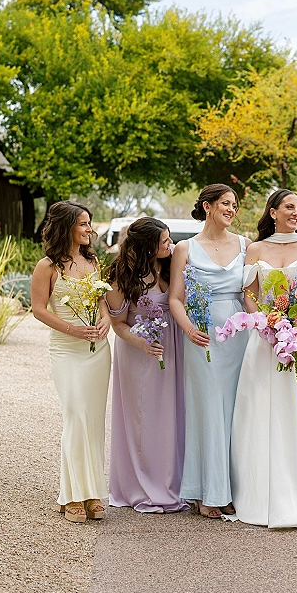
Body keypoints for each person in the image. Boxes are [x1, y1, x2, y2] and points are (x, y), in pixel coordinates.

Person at [230, 189, 297, 529]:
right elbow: (249, 293)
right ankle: (261, 498)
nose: (296, 212)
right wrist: (265, 325)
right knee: (261, 412)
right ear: (272, 211)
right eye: (289, 206)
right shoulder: (255, 249)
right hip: (264, 340)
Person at [169, 184, 249, 518]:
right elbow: (175, 297)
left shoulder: (246, 244)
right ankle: (207, 492)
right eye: (225, 204)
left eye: (234, 205)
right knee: (209, 411)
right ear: (207, 206)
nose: (231, 210)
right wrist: (188, 328)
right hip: (201, 336)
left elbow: (252, 290)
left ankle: (233, 488)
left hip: (239, 336)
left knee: (237, 412)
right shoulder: (185, 248)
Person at [31, 202, 111, 523]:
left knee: (92, 421)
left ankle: (91, 492)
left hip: (98, 351)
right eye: (83, 224)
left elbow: (101, 301)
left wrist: (105, 321)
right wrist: (72, 329)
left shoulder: (93, 261)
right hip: (66, 348)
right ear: (66, 227)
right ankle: (73, 494)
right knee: (75, 416)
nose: (89, 229)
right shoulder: (47, 266)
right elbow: (38, 309)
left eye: (89, 224)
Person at [106, 217, 189, 513]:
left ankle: (172, 481)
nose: (170, 245)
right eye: (164, 241)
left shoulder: (170, 266)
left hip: (173, 347)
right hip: (140, 351)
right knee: (144, 418)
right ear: (146, 246)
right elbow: (118, 324)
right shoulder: (122, 275)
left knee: (172, 416)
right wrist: (141, 342)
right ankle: (141, 486)